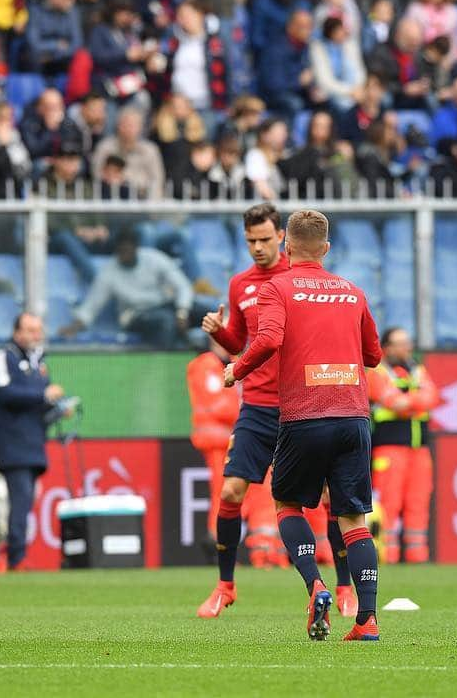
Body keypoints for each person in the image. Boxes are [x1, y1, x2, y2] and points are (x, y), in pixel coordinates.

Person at [225, 209, 384, 642]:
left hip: (305, 415)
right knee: (353, 519)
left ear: (287, 246)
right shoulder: (353, 292)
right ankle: (367, 619)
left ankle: (315, 584)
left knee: (288, 506)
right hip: (353, 415)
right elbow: (374, 356)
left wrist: (237, 369)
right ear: (327, 249)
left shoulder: (277, 287)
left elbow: (270, 338)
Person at [195, 204, 297, 618]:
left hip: (299, 401)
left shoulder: (298, 279)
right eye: (251, 241)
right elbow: (240, 341)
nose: (257, 247)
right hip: (256, 403)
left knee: (326, 494)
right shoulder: (240, 285)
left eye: (265, 239)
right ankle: (225, 586)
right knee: (232, 492)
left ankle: (344, 586)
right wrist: (221, 331)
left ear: (282, 237)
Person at [0, 313, 73, 570]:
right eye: (29, 330)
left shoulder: (39, 362)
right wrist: (43, 394)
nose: (35, 335)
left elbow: (38, 410)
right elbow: (4, 392)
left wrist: (57, 410)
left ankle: (14, 553)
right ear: (16, 332)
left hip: (35, 443)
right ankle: (15, 557)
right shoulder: (5, 356)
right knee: (21, 499)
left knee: (25, 502)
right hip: (13, 443)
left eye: (38, 330)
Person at [64, 226, 206, 350]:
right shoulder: (110, 272)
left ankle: (215, 362)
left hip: (165, 305)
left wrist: (182, 312)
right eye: (120, 251)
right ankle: (163, 366)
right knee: (166, 321)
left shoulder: (153, 258)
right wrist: (76, 325)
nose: (123, 255)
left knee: (206, 314)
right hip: (135, 315)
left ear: (136, 248)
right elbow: (92, 304)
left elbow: (183, 286)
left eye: (127, 250)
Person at [367, 327, 439, 564]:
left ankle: (417, 558)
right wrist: (417, 402)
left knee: (418, 506)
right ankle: (389, 558)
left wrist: (410, 403)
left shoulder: (417, 369)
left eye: (407, 342)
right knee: (389, 505)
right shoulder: (376, 372)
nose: (406, 347)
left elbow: (433, 398)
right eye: (400, 343)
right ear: (387, 348)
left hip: (419, 449)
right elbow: (393, 402)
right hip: (389, 449)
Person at [186, 339, 240, 540]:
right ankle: (217, 538)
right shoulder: (206, 364)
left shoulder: (232, 362)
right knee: (222, 490)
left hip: (233, 440)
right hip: (217, 440)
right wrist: (249, 411)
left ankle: (222, 538)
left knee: (232, 490)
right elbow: (221, 404)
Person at [91, 106, 165, 199]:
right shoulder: (105, 147)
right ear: (118, 126)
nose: (128, 129)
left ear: (140, 128)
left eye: (133, 125)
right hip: (110, 199)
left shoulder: (150, 150)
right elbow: (96, 175)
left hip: (142, 201)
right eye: (125, 124)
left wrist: (151, 208)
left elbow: (157, 181)